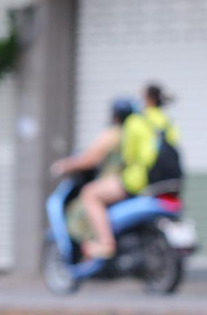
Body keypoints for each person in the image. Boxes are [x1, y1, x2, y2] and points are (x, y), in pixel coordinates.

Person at [61, 85, 183, 260]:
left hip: (137, 181)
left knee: (90, 193)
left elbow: (128, 155)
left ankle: (105, 242)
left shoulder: (136, 122)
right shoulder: (167, 122)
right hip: (165, 181)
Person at [52, 97, 134, 248]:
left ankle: (105, 241)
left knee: (88, 194)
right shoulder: (132, 133)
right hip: (130, 180)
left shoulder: (113, 134)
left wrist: (64, 165)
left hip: (117, 180)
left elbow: (89, 159)